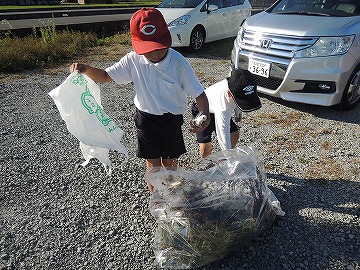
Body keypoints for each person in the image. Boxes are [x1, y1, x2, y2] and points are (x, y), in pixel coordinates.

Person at [69, 7, 210, 192]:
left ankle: (173, 198)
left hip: (171, 120)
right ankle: (157, 199)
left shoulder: (178, 63)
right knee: (153, 165)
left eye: (159, 47)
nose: (154, 53)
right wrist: (86, 69)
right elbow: (104, 76)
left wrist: (204, 116)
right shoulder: (133, 60)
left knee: (170, 163)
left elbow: (200, 94)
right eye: (148, 49)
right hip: (146, 119)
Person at [191, 68, 261, 158]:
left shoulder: (235, 86)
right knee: (206, 147)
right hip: (203, 109)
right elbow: (222, 133)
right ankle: (206, 167)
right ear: (229, 93)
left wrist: (238, 114)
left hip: (220, 108)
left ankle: (223, 160)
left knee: (234, 134)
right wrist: (228, 157)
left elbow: (239, 101)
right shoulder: (223, 106)